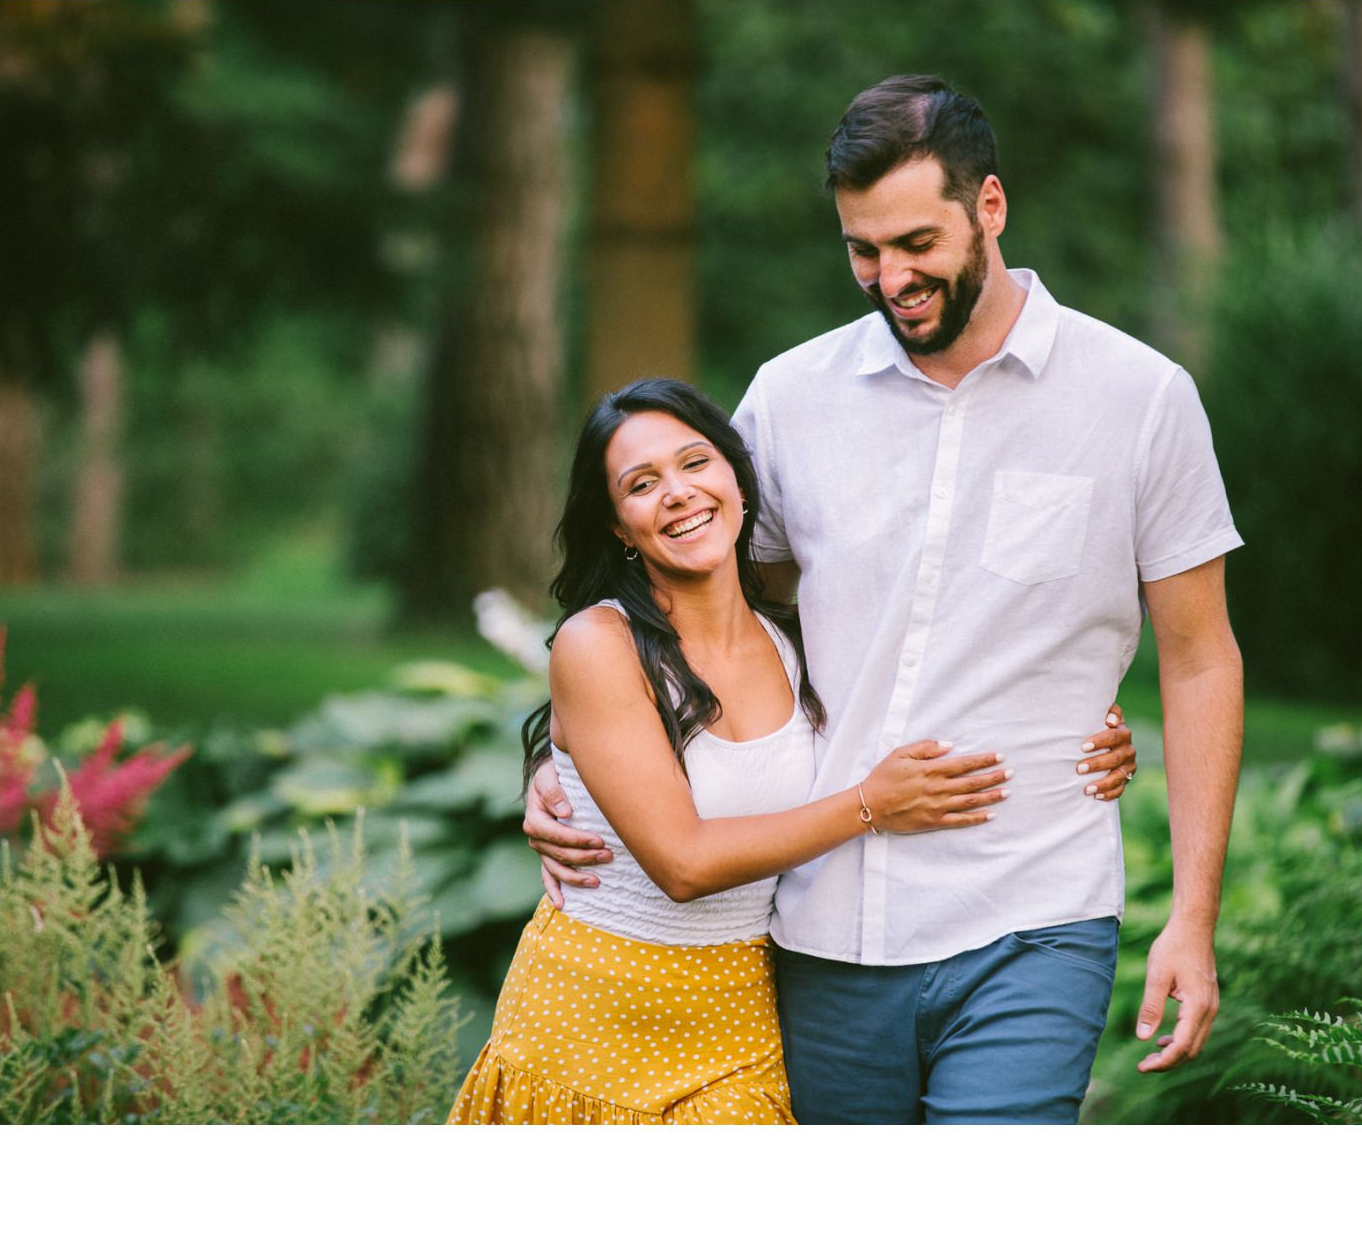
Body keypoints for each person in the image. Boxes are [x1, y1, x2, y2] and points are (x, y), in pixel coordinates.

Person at [526, 74, 1243, 1124]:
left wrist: (1192, 917)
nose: (890, 278)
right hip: (822, 923)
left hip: (1033, 907)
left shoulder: (1140, 399)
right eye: (864, 250)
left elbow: (1200, 658)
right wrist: (568, 762)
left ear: (988, 208)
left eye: (917, 244)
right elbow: (709, 619)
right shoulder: (790, 396)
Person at [448, 378, 1132, 1124]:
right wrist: (871, 806)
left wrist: (1072, 727)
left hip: (740, 1014)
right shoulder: (599, 644)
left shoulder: (803, 641)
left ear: (740, 484)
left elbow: (952, 667)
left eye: (695, 463)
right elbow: (683, 864)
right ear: (617, 524)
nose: (677, 493)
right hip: (591, 1013)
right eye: (641, 485)